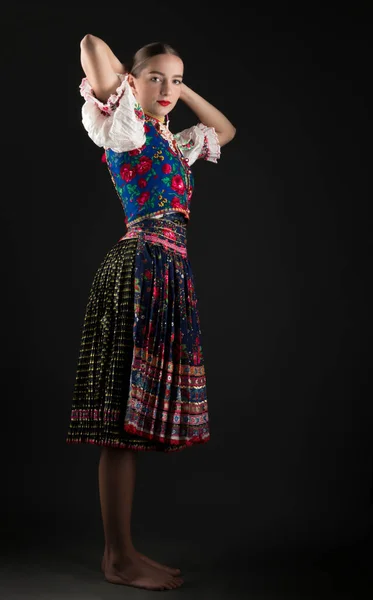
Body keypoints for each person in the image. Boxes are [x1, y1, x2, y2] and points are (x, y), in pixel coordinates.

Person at [66, 33, 236, 591]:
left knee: (132, 428)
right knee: (120, 424)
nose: (168, 89)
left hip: (168, 273)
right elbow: (92, 45)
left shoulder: (173, 142)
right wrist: (135, 84)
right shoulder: (125, 129)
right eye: (156, 78)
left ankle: (125, 550)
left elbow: (226, 131)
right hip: (137, 269)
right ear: (132, 83)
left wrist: (177, 93)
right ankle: (118, 557)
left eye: (178, 79)